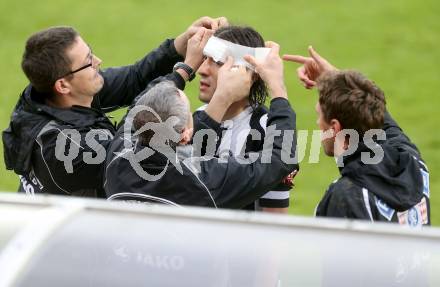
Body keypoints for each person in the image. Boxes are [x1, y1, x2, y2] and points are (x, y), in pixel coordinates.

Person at [2, 17, 227, 197]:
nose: (98, 61)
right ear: (62, 85)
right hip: (73, 247)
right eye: (88, 60)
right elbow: (131, 143)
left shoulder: (48, 96)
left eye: (90, 51)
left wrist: (181, 44)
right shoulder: (64, 150)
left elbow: (134, 78)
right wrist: (184, 70)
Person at [104, 42, 299, 209]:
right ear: (185, 135)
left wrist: (185, 68)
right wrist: (278, 89)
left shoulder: (116, 157)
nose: (203, 70)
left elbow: (137, 107)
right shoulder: (202, 180)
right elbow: (279, 159)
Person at [283, 47, 430, 226]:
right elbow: (379, 116)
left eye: (319, 115)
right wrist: (337, 80)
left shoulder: (345, 196)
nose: (317, 123)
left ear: (335, 127)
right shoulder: (412, 162)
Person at [193, 25, 297, 213]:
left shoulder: (268, 129)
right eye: (204, 58)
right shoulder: (198, 117)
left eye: (217, 62)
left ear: (251, 73)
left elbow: (274, 220)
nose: (201, 69)